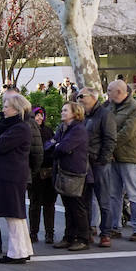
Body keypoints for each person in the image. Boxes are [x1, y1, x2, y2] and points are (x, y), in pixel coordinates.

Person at [0, 93, 34, 264]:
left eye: (6, 106)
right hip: (9, 173)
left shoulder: (20, 128)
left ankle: (17, 253)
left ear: (16, 109)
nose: (3, 109)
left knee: (13, 214)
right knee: (15, 215)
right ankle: (22, 249)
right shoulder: (11, 126)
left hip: (11, 175)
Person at [105, 80, 136, 241]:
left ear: (119, 92)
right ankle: (115, 226)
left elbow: (127, 133)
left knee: (133, 192)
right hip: (113, 157)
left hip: (128, 156)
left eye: (109, 90)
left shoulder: (135, 108)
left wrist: (109, 146)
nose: (107, 93)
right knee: (114, 194)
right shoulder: (109, 106)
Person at [48, 102, 91, 251]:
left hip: (75, 172)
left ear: (75, 113)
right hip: (63, 171)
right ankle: (69, 236)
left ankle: (83, 238)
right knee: (68, 206)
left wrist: (58, 146)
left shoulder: (78, 129)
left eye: (65, 110)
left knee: (77, 207)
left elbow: (64, 147)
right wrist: (57, 145)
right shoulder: (63, 128)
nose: (62, 112)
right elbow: (52, 144)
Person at [79, 88, 117, 246]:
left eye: (81, 96)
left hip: (99, 163)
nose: (78, 98)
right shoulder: (84, 116)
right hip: (85, 163)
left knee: (104, 200)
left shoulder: (104, 114)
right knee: (85, 199)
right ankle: (87, 231)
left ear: (93, 97)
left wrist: (103, 160)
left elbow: (110, 139)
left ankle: (105, 233)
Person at [28, 108, 57, 244]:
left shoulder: (48, 131)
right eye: (36, 115)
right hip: (35, 172)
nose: (39, 118)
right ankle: (33, 232)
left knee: (49, 204)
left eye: (41, 115)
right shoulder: (29, 131)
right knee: (35, 204)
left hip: (48, 171)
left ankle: (49, 233)